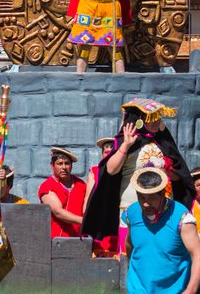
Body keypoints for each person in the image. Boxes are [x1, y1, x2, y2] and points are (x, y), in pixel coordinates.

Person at [82, 98, 194, 254]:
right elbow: (111, 170)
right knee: (131, 252)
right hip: (131, 205)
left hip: (163, 205)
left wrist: (168, 170)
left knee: (160, 251)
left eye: (158, 117)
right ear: (140, 120)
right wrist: (125, 146)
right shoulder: (127, 141)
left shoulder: (164, 141)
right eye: (151, 118)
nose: (156, 121)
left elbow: (179, 177)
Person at [124, 168, 200, 294]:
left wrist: (191, 290)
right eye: (141, 198)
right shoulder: (132, 213)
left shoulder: (182, 218)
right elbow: (129, 244)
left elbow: (198, 255)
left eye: (151, 198)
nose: (145, 204)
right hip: (137, 289)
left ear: (162, 194)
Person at [39, 147, 86, 238]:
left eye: (67, 163)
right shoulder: (47, 186)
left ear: (71, 165)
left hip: (79, 240)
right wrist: (85, 221)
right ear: (52, 165)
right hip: (55, 241)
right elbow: (58, 212)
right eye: (60, 164)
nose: (64, 167)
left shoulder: (81, 184)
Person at [83, 138, 116, 256]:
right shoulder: (95, 171)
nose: (109, 155)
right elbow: (88, 198)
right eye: (106, 152)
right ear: (102, 154)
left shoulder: (124, 171)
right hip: (100, 216)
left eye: (113, 151)